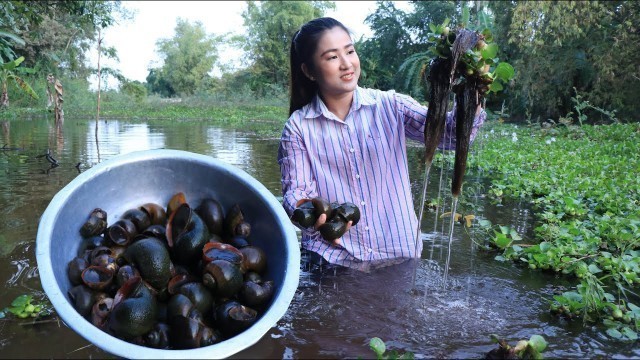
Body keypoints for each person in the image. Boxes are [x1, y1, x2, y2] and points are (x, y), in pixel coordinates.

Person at [277, 17, 485, 270]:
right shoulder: (298, 127)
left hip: (397, 252)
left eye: (350, 51)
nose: (346, 64)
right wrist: (312, 213)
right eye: (332, 57)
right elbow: (296, 192)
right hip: (332, 257)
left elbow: (450, 136)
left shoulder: (391, 106)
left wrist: (474, 87)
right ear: (309, 71)